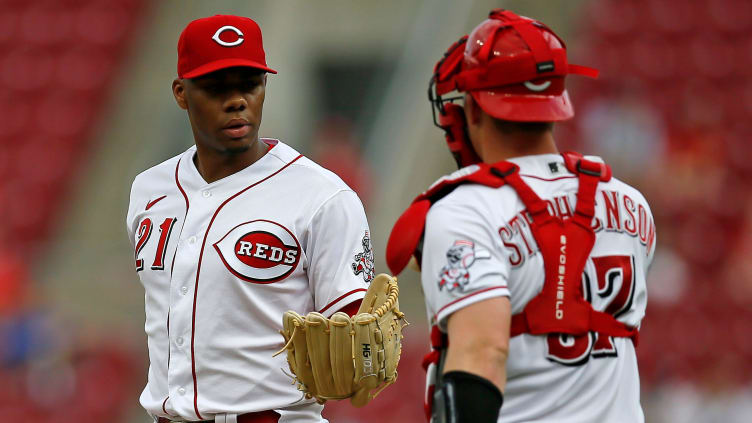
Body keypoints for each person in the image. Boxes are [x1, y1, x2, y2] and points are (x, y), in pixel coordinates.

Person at [386, 9, 656, 423]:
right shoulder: (631, 202)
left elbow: (482, 352)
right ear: (555, 104)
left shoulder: (466, 209)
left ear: (473, 109)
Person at [126, 15, 374, 423]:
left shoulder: (323, 196)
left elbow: (356, 342)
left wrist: (357, 358)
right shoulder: (149, 190)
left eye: (249, 83)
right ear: (181, 93)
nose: (237, 99)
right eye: (216, 87)